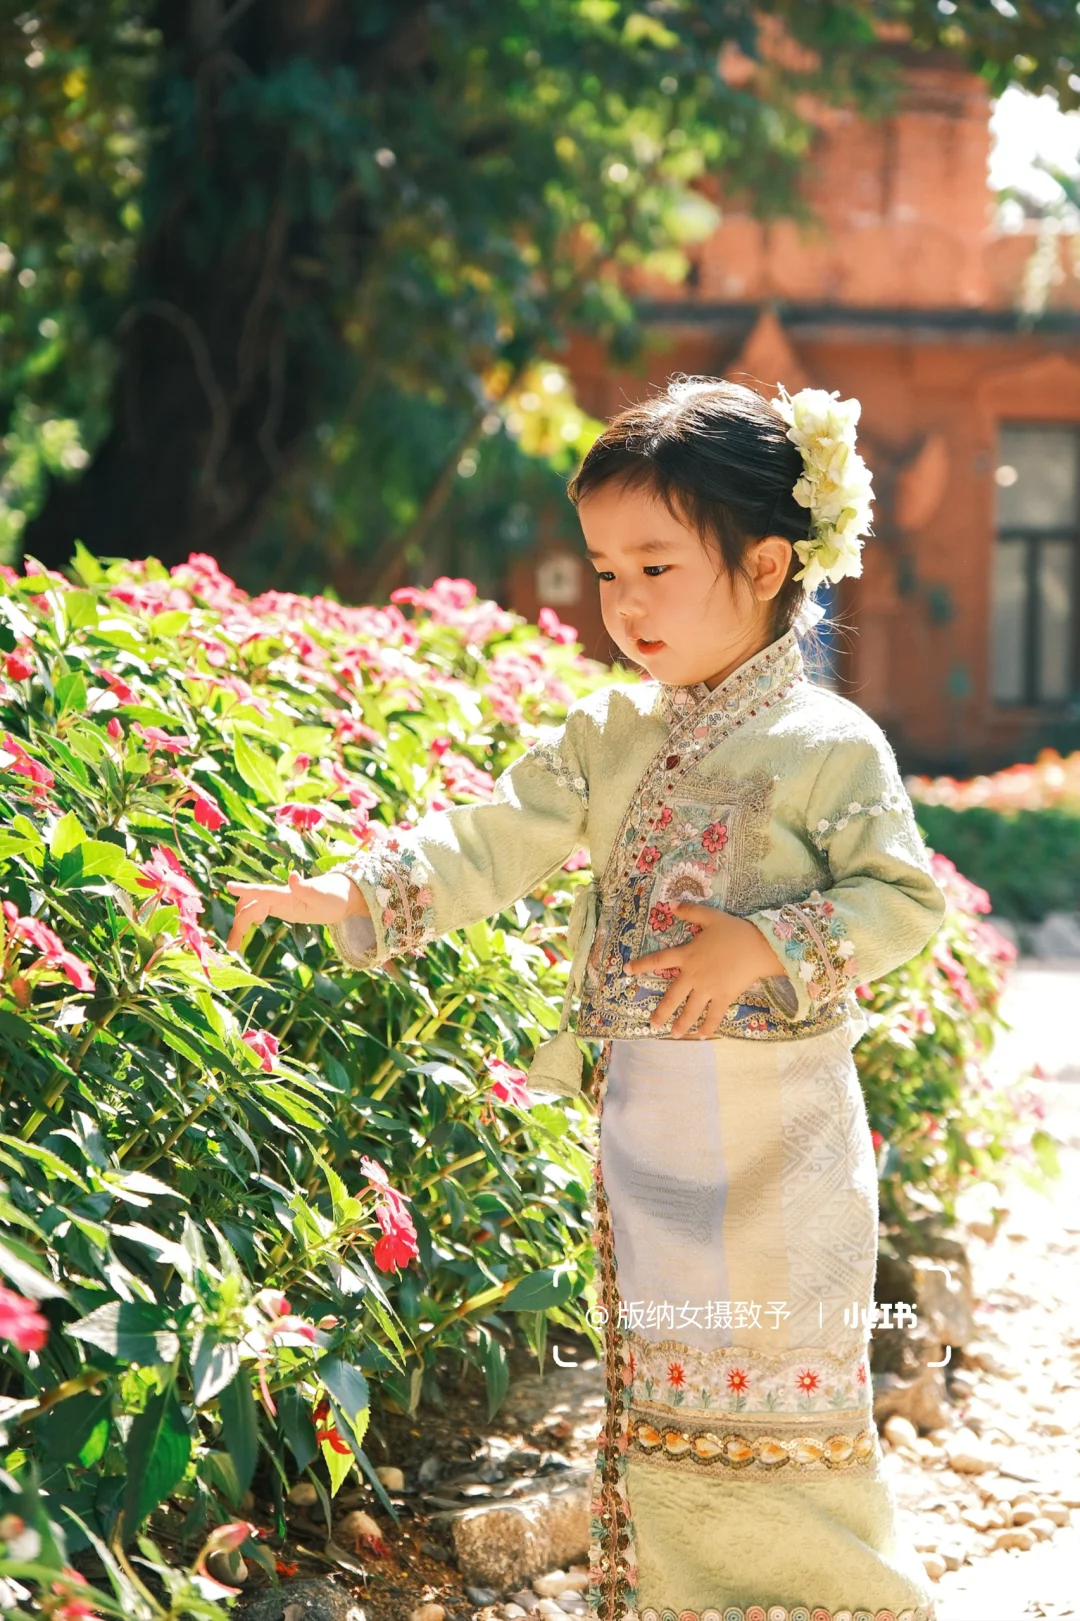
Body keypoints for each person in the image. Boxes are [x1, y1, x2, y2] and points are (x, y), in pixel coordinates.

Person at [226, 377, 944, 1621]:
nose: (625, 603)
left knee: (780, 1381)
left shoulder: (830, 745)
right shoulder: (608, 735)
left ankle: (841, 1600)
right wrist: (351, 889)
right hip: (650, 1139)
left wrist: (766, 947)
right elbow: (496, 834)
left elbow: (906, 905)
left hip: (789, 1149)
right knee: (659, 1386)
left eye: (657, 566)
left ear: (769, 561)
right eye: (607, 572)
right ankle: (671, 1595)